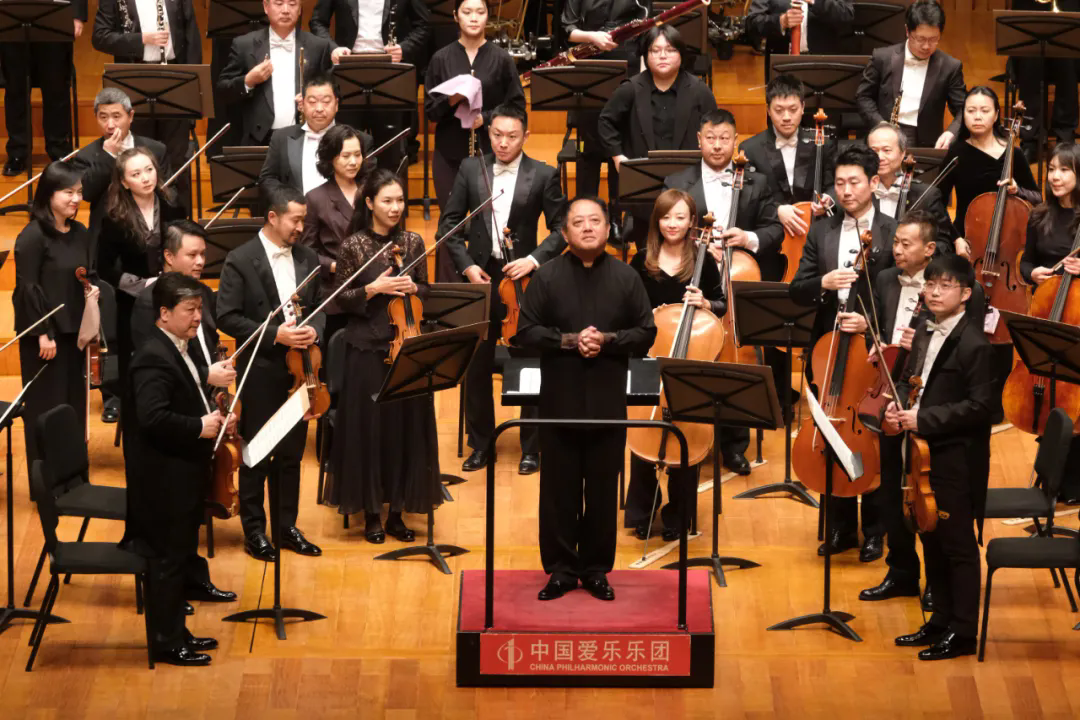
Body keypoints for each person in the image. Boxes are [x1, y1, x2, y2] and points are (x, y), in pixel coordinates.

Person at [515, 196, 657, 602]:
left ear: (609, 228)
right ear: (564, 233)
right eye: (578, 222)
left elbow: (646, 332)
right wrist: (569, 340)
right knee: (558, 492)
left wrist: (607, 340)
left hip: (607, 403)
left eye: (595, 220)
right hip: (558, 403)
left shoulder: (626, 277)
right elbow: (526, 331)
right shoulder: (547, 276)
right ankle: (560, 571)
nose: (588, 227)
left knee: (601, 491)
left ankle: (595, 570)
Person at [439, 103, 567, 475]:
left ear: (526, 136)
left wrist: (534, 260)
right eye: (496, 135)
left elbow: (562, 229)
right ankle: (481, 444)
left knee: (529, 361)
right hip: (481, 278)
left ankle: (532, 447)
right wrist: (468, 266)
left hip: (524, 281)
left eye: (512, 136)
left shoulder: (543, 174)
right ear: (488, 133)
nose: (503, 143)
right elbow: (448, 226)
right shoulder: (470, 168)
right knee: (476, 364)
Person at [887, 255, 999, 661]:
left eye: (945, 285)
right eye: (930, 284)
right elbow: (909, 379)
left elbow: (983, 408)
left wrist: (924, 418)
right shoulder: (922, 328)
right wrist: (897, 405)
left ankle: (964, 631)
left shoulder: (975, 344)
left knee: (957, 545)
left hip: (955, 458)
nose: (934, 292)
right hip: (921, 452)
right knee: (929, 535)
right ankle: (939, 621)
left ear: (965, 294)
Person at [122, 272, 235, 666]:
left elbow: (184, 397)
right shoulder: (153, 356)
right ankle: (166, 642)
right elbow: (152, 418)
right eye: (190, 310)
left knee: (179, 556)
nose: (198, 317)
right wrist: (199, 426)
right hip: (163, 482)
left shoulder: (177, 346)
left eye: (200, 308)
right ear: (165, 313)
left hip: (182, 474)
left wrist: (214, 415)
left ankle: (177, 632)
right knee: (167, 563)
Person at [790, 144, 896, 560]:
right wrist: (823, 283)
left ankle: (875, 530)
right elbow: (798, 289)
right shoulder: (821, 231)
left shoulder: (892, 230)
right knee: (831, 428)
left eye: (854, 182)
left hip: (872, 348)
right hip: (827, 348)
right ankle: (839, 529)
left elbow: (902, 295)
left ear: (874, 182)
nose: (846, 191)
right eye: (839, 183)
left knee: (869, 432)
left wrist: (872, 325)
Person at [664, 108, 783, 475]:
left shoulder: (757, 182)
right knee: (692, 355)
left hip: (736, 279)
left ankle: (734, 445)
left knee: (734, 362)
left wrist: (746, 238)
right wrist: (697, 247)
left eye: (725, 138)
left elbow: (774, 230)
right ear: (699, 140)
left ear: (736, 141)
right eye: (711, 138)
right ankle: (686, 436)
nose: (717, 145)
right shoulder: (676, 181)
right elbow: (664, 227)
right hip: (692, 277)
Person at [320, 169, 435, 541]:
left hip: (406, 346)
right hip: (366, 348)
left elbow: (427, 291)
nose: (395, 207)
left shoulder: (413, 241)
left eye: (400, 200)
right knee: (370, 430)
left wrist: (415, 287)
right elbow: (340, 299)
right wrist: (374, 288)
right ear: (369, 203)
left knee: (405, 428)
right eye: (387, 200)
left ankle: (397, 512)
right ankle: (371, 513)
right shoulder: (353, 245)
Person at [216, 184, 325, 562]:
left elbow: (320, 307)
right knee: (257, 453)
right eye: (295, 220)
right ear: (273, 217)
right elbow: (227, 316)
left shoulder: (308, 257)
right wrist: (275, 334)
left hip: (301, 372)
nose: (301, 228)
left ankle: (285, 526)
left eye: (304, 220)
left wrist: (315, 331)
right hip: (262, 371)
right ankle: (255, 531)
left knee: (292, 454)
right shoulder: (240, 259)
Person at [625, 189, 725, 540]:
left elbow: (722, 304)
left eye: (680, 217)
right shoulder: (640, 261)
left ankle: (679, 515)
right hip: (648, 355)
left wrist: (706, 303)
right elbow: (626, 309)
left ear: (692, 222)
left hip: (689, 359)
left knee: (687, 435)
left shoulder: (703, 260)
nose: (672, 224)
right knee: (642, 432)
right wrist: (645, 316)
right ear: (657, 221)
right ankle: (642, 510)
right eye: (666, 217)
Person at [598, 25, 717, 252]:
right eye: (655, 50)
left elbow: (715, 129)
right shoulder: (631, 88)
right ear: (646, 56)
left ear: (681, 55)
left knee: (688, 253)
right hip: (645, 189)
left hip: (688, 184)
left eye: (670, 50)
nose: (663, 56)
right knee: (647, 254)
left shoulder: (699, 91)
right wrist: (618, 157)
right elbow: (606, 122)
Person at [425, 0, 526, 245]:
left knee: (489, 225)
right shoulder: (441, 58)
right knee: (450, 226)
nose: (473, 18)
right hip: (449, 154)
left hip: (490, 154)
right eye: (467, 12)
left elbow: (517, 106)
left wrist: (487, 119)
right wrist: (452, 99)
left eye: (480, 12)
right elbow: (430, 111)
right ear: (455, 16)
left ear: (487, 16)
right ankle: (450, 272)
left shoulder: (502, 58)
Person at [12, 162, 90, 469]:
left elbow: (87, 274)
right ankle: (46, 482)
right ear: (49, 194)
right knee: (46, 408)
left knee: (73, 407)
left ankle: (73, 480)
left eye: (79, 192)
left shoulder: (80, 232)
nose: (76, 198)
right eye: (68, 192)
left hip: (75, 335)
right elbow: (27, 288)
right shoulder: (32, 236)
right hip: (45, 339)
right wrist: (43, 332)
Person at [91, 0, 202, 213]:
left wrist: (193, 87)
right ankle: (140, 220)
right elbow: (100, 37)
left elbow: (191, 37)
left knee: (176, 158)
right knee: (138, 156)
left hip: (176, 78)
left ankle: (178, 221)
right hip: (134, 78)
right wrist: (141, 39)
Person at [98, 148, 187, 401]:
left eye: (149, 170)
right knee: (136, 368)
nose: (146, 178)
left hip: (172, 298)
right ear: (125, 182)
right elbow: (104, 267)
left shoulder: (173, 206)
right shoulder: (114, 218)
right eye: (136, 174)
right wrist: (143, 285)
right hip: (132, 304)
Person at [1019, 142, 1080, 505]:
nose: (1055, 176)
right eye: (1052, 169)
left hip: (1077, 317)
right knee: (1048, 388)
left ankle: (1073, 480)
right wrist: (1033, 274)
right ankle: (1050, 476)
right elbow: (1025, 262)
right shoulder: (1039, 216)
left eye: (1065, 170)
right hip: (1047, 313)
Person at [738, 73, 837, 273]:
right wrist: (777, 210)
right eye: (778, 110)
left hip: (814, 234)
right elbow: (749, 200)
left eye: (793, 109)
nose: (786, 117)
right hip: (771, 240)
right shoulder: (750, 149)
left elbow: (835, 185)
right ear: (768, 110)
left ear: (803, 107)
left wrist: (829, 199)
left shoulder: (823, 144)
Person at [218, 0, 348, 146]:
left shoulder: (318, 46)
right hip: (258, 139)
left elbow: (334, 91)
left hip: (305, 137)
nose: (286, 10)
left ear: (300, 9)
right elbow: (222, 90)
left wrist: (313, 98)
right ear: (266, 7)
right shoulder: (244, 44)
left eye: (292, 4)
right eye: (279, 3)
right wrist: (248, 81)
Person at [561, 0, 653, 197]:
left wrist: (644, 83)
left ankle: (617, 211)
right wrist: (591, 36)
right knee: (588, 151)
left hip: (627, 67)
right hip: (589, 67)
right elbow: (567, 29)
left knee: (620, 147)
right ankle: (586, 207)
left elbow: (646, 33)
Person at [937, 86, 1041, 247]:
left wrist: (1018, 191)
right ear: (963, 114)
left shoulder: (1013, 153)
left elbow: (1038, 198)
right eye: (971, 111)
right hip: (965, 242)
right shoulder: (956, 153)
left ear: (996, 115)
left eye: (985, 111)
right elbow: (937, 202)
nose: (977, 117)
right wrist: (956, 239)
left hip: (1006, 242)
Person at [855, 1, 965, 150]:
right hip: (884, 138)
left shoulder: (950, 67)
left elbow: (964, 109)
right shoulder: (882, 57)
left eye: (933, 39)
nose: (926, 46)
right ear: (907, 31)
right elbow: (863, 97)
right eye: (920, 39)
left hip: (926, 143)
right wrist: (880, 124)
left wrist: (951, 132)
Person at [301, 124, 372, 344]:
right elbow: (306, 253)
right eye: (345, 156)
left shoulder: (373, 191)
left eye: (358, 155)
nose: (353, 162)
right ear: (330, 158)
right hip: (336, 294)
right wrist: (335, 266)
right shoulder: (315, 198)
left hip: (373, 290)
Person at [0, 1, 85, 175]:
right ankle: (18, 152)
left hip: (54, 15)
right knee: (15, 90)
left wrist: (77, 15)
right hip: (11, 13)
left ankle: (59, 149)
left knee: (57, 89)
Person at [257, 74, 373, 200]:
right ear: (302, 105)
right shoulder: (281, 137)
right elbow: (267, 179)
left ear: (336, 104)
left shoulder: (360, 139)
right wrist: (289, 203)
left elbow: (369, 182)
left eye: (326, 102)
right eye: (312, 102)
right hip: (297, 210)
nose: (319, 108)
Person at [866, 122, 956, 254]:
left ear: (902, 153)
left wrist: (917, 254)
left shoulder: (928, 196)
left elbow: (944, 243)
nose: (880, 157)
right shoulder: (860, 193)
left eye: (887, 150)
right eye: (874, 151)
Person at [1011, 0, 1080, 161]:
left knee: (1068, 59)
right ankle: (1031, 139)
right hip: (1030, 13)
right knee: (1030, 59)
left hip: (1067, 14)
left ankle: (1065, 135)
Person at [310, 0, 430, 64]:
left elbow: (423, 24)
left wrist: (405, 48)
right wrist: (333, 49)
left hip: (392, 62)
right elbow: (317, 21)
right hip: (347, 61)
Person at [745, 0, 854, 59]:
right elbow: (751, 23)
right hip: (781, 62)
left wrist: (816, 2)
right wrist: (781, 22)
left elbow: (848, 15)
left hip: (824, 62)